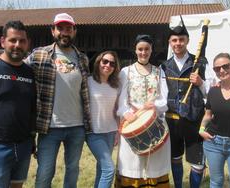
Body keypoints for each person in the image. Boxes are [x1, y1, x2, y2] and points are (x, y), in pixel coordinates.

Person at [25, 13, 91, 188]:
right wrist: (0, 57)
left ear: (74, 31)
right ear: (53, 31)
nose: (64, 32)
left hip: (77, 127)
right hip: (49, 127)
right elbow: (16, 67)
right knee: (45, 172)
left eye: (68, 29)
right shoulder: (39, 54)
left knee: (72, 170)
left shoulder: (83, 59)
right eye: (60, 28)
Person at [161, 17, 213, 188]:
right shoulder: (164, 66)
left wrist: (200, 82)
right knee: (175, 158)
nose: (178, 43)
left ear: (187, 41)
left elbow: (208, 92)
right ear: (170, 42)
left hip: (194, 119)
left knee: (197, 163)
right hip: (172, 119)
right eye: (174, 40)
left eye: (181, 39)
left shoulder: (199, 62)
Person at [115, 34, 171, 187]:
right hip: (133, 120)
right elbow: (121, 98)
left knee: (155, 161)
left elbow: (164, 98)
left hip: (154, 121)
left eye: (147, 49)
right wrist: (126, 112)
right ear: (135, 50)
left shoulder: (159, 72)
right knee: (132, 161)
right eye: (140, 49)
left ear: (151, 50)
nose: (143, 52)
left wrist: (155, 106)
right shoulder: (126, 72)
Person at [0, 20, 36, 188]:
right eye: (13, 40)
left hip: (24, 145)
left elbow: (32, 106)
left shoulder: (30, 73)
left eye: (22, 41)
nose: (17, 45)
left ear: (27, 43)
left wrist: (32, 138)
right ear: (3, 41)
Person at [199, 53, 230, 188]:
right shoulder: (213, 91)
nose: (221, 70)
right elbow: (208, 115)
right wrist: (201, 130)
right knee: (216, 182)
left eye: (225, 66)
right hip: (213, 143)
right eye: (217, 68)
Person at [86, 51, 120, 188]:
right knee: (109, 169)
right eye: (105, 61)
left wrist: (118, 131)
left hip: (111, 132)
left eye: (112, 63)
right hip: (94, 132)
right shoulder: (88, 82)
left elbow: (116, 110)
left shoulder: (116, 85)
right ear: (98, 62)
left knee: (102, 168)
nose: (108, 65)